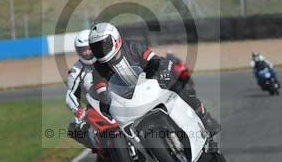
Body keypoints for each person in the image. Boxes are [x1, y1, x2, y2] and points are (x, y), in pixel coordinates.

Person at [88, 22, 221, 152]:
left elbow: (154, 59)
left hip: (150, 82)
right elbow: (101, 87)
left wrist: (161, 69)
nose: (101, 50)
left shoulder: (132, 46)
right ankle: (140, 152)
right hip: (128, 99)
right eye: (96, 48)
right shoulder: (98, 67)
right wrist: (104, 99)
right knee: (119, 126)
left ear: (115, 40)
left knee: (179, 85)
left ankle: (204, 117)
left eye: (104, 45)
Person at [64, 29, 96, 150]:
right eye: (83, 50)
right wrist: (76, 109)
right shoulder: (75, 71)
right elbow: (70, 94)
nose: (87, 52)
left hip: (121, 96)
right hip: (95, 105)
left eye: (89, 48)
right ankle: (98, 148)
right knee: (73, 128)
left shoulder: (108, 59)